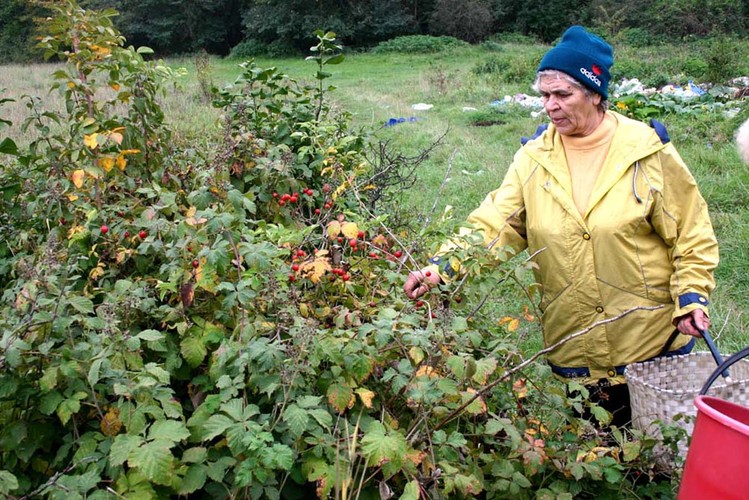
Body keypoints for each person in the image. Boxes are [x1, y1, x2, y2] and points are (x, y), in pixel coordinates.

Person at [403, 26, 719, 428]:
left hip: (649, 342)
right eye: (544, 95)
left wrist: (691, 294)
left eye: (563, 95)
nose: (550, 106)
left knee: (658, 463)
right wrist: (442, 268)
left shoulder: (646, 151)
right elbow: (496, 225)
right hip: (575, 342)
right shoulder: (535, 157)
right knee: (595, 458)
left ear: (595, 94)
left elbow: (691, 233)